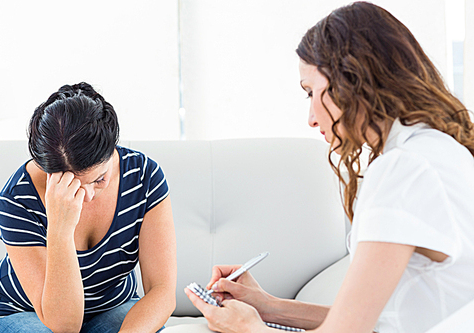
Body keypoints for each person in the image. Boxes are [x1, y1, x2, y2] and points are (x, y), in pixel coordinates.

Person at [185, 2, 474, 332]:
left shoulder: (404, 170)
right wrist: (269, 307)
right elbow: (369, 321)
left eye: (311, 92)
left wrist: (250, 329)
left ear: (352, 80)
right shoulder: (436, 149)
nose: (310, 118)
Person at [0, 82, 177, 333]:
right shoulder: (18, 197)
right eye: (72, 185)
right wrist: (61, 229)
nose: (87, 197)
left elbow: (162, 291)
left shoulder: (144, 176)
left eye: (99, 179)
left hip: (112, 308)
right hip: (26, 314)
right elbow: (64, 325)